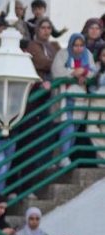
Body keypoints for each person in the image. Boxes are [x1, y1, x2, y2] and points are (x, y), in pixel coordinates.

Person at [51, 33, 95, 167]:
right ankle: (64, 157)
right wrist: (73, 72)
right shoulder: (62, 54)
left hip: (80, 97)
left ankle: (63, 157)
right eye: (75, 45)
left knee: (74, 127)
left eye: (81, 45)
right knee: (68, 125)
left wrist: (84, 74)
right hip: (65, 96)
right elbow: (56, 71)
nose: (79, 48)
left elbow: (93, 71)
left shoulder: (88, 54)